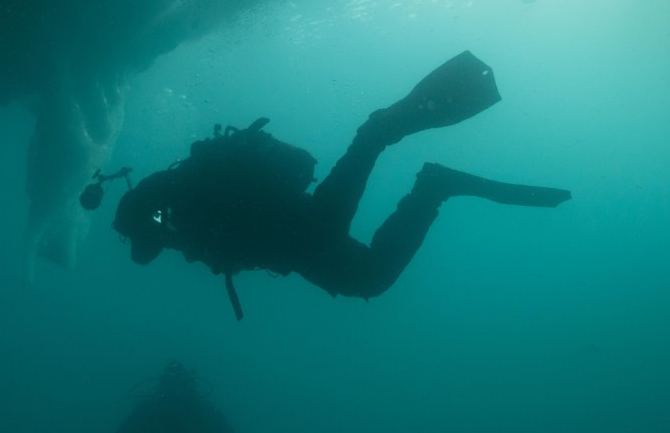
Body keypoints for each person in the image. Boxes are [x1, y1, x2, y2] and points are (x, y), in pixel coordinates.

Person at [111, 51, 570, 319]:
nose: (143, 249)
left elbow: (217, 217)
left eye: (138, 238)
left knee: (366, 266)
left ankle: (395, 151)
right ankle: (429, 184)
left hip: (301, 230)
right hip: (299, 240)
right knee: (368, 277)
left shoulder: (170, 210)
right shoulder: (169, 215)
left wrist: (181, 232)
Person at [111, 362, 240, 433]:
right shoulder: (204, 411)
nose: (175, 389)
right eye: (172, 383)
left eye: (178, 383)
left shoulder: (147, 410)